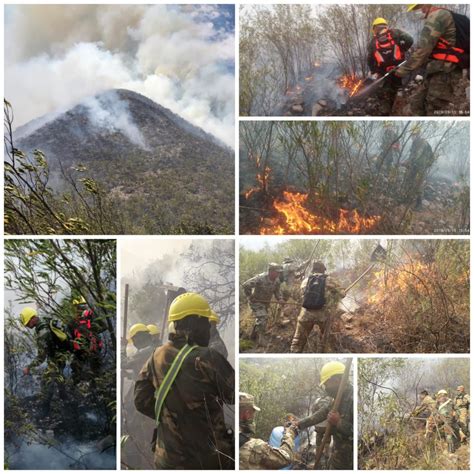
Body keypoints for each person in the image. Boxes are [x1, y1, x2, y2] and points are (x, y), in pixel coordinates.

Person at [134, 292, 235, 469]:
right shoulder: (209, 357)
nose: (208, 328)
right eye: (205, 322)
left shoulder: (155, 356)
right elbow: (232, 396)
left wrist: (171, 415)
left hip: (168, 460)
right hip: (209, 460)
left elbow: (141, 401)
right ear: (194, 323)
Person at [395, 4, 469, 115]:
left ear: (426, 4)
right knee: (417, 103)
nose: (418, 12)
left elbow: (423, 50)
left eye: (418, 8)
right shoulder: (442, 14)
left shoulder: (436, 17)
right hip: (437, 69)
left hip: (446, 71)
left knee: (435, 107)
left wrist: (401, 70)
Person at [296, 361, 353, 469]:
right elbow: (321, 414)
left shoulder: (353, 398)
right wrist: (299, 424)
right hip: (337, 457)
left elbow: (358, 434)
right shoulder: (337, 398)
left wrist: (339, 422)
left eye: (327, 383)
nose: (326, 387)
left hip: (350, 463)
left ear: (336, 380)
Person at [20, 307, 70, 417]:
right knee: (59, 381)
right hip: (60, 357)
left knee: (47, 383)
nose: (27, 325)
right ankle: (68, 405)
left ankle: (44, 412)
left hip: (56, 359)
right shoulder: (45, 321)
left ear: (33, 318)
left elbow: (41, 357)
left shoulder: (42, 332)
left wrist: (29, 367)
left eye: (27, 322)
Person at [290, 262, 345, 353]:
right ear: (323, 270)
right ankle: (322, 352)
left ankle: (294, 354)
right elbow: (342, 294)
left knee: (297, 342)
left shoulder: (305, 281)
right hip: (322, 315)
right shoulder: (329, 280)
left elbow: (299, 296)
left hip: (305, 315)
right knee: (326, 341)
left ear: (313, 270)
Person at [239, 392, 297, 470]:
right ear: (247, 413)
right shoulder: (255, 447)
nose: (253, 416)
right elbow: (286, 458)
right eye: (253, 413)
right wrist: (289, 433)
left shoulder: (220, 439)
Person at [367, 18, 413, 114]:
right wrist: (403, 49)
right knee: (399, 88)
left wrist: (373, 71)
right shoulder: (395, 33)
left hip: (383, 72)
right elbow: (410, 40)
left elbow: (370, 59)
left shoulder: (372, 42)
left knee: (385, 93)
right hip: (399, 68)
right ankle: (399, 109)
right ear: (385, 25)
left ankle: (386, 111)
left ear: (374, 28)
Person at [242, 263, 284, 344]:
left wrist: (280, 298)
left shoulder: (277, 281)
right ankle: (261, 340)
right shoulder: (260, 278)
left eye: (279, 272)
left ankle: (252, 337)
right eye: (277, 272)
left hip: (265, 303)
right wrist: (250, 296)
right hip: (256, 302)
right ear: (270, 271)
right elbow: (246, 285)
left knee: (261, 319)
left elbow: (277, 291)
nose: (278, 274)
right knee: (263, 318)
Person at [68, 296, 106, 383]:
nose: (81, 309)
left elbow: (71, 338)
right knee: (95, 372)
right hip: (87, 350)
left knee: (80, 372)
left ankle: (88, 386)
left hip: (86, 350)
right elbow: (104, 327)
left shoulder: (74, 321)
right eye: (81, 307)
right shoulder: (89, 317)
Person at [401, 127, 435, 210]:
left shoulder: (423, 143)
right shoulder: (414, 143)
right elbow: (412, 154)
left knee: (418, 184)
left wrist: (408, 162)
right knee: (408, 179)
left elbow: (417, 154)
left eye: (413, 135)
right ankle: (407, 198)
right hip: (415, 165)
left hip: (422, 167)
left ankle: (419, 205)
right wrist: (407, 161)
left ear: (418, 135)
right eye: (411, 135)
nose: (412, 137)